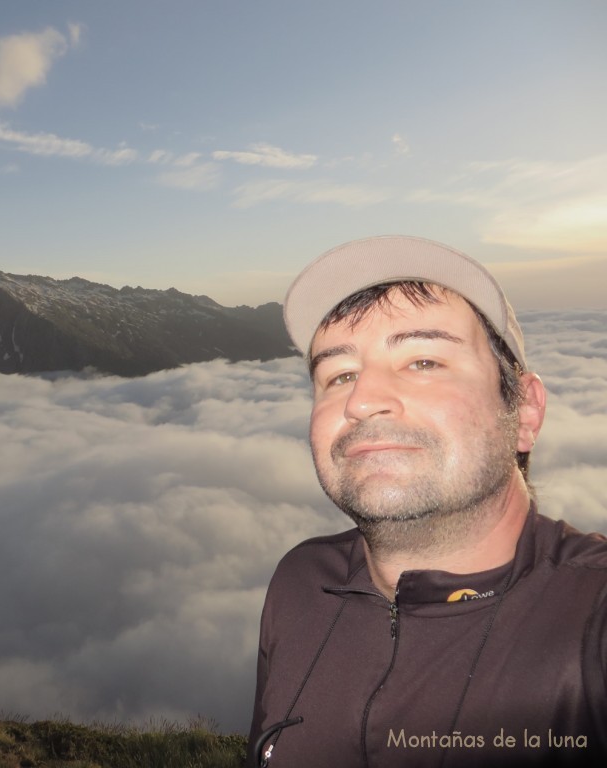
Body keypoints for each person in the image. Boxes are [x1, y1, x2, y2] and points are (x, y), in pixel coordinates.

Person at [247, 235, 607, 767]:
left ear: (525, 413)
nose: (362, 399)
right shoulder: (299, 584)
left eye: (423, 361)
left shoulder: (591, 613)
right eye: (339, 374)